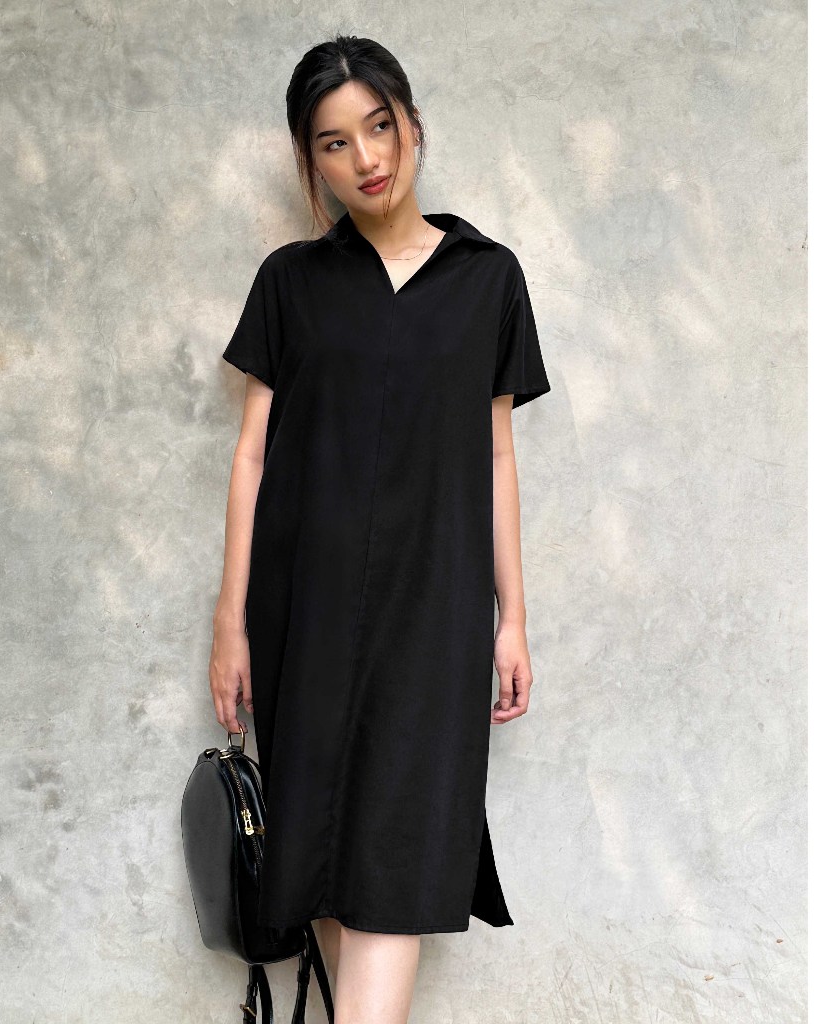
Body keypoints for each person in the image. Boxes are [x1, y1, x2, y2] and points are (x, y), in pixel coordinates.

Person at [209, 35, 551, 1024]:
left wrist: (513, 618)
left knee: (397, 854)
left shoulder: (488, 277)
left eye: (379, 126)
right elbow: (251, 456)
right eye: (333, 142)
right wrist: (229, 622)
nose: (365, 157)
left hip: (434, 609)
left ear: (411, 124)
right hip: (305, 610)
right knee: (322, 855)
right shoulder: (289, 282)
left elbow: (496, 456)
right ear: (308, 160)